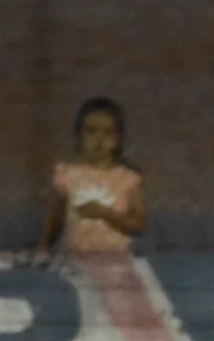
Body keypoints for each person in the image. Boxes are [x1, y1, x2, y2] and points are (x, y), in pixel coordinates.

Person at [39, 97, 148, 254]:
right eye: (91, 131)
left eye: (108, 132)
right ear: (79, 136)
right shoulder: (68, 174)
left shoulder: (128, 179)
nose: (99, 139)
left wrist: (105, 213)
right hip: (75, 257)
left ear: (118, 139)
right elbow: (56, 219)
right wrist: (43, 247)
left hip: (116, 260)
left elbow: (139, 225)